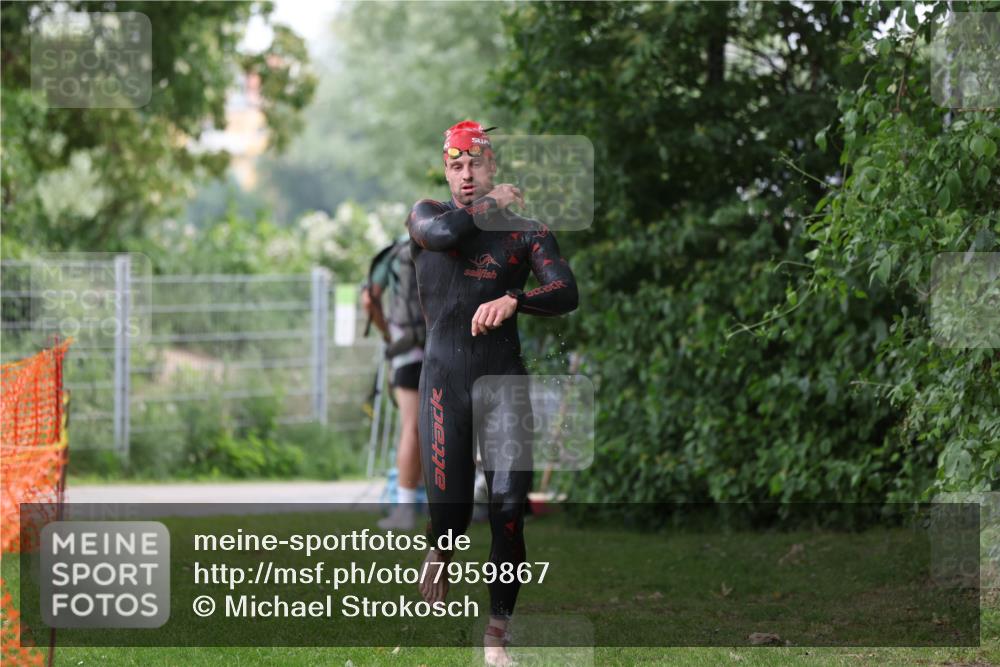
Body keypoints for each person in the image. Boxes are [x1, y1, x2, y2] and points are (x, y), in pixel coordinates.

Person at [408, 120, 578, 666]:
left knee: (508, 506)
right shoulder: (426, 215)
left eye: (475, 165)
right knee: (453, 514)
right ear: (446, 170)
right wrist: (485, 207)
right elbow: (442, 239)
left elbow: (565, 291)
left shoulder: (527, 231)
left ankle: (496, 636)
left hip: (503, 383)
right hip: (443, 387)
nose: (466, 175)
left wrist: (516, 301)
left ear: (493, 166)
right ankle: (442, 542)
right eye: (456, 166)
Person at [361, 230, 427, 531]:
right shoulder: (448, 240)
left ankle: (405, 510)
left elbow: (368, 301)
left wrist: (388, 334)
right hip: (446, 345)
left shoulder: (394, 252)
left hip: (408, 348)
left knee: (411, 428)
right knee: (449, 425)